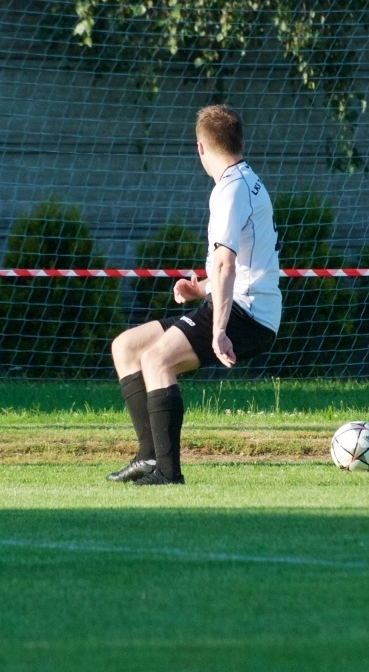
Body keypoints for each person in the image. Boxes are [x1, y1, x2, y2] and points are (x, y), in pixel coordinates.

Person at [106, 105, 281, 485]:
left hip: (244, 313)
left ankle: (168, 474)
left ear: (200, 147)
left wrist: (219, 329)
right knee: (127, 347)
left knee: (156, 360)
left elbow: (226, 265)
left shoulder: (230, 190)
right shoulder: (246, 180)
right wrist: (199, 289)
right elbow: (241, 265)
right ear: (241, 142)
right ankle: (148, 458)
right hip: (238, 304)